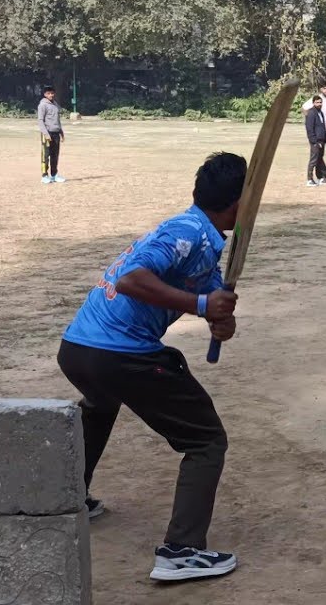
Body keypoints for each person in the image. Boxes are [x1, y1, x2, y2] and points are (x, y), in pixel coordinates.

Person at [58, 153, 245, 583]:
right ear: (236, 202)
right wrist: (201, 305)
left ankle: (68, 496)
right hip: (118, 353)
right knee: (206, 440)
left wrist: (220, 318)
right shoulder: (189, 231)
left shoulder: (203, 237)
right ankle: (181, 551)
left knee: (101, 403)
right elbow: (131, 279)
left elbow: (215, 305)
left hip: (77, 349)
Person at [38, 86, 66, 184]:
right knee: (46, 155)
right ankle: (44, 176)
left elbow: (57, 120)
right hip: (47, 133)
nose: (51, 95)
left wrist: (61, 132)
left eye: (52, 93)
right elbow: (40, 120)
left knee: (55, 155)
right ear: (45, 94)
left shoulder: (55, 104)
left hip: (56, 133)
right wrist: (46, 134)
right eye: (49, 93)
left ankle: (54, 175)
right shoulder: (42, 105)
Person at [304, 95, 326, 186]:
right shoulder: (311, 113)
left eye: (320, 102)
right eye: (317, 102)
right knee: (313, 160)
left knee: (319, 159)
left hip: (321, 140)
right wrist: (315, 141)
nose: (319, 104)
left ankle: (320, 178)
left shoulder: (320, 112)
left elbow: (322, 127)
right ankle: (309, 180)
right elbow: (309, 129)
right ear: (313, 103)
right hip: (315, 141)